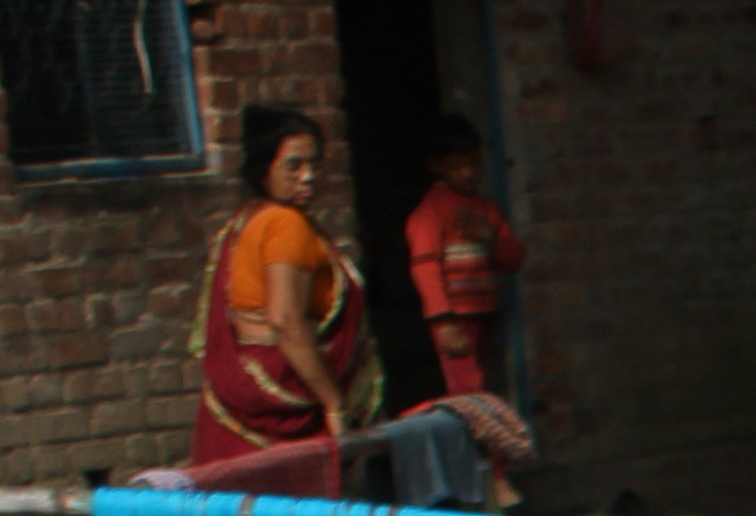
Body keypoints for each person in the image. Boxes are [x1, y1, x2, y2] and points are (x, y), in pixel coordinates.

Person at [192, 103, 373, 468]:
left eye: (315, 164)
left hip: (241, 398)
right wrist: (333, 403)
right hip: (283, 396)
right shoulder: (285, 225)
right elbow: (287, 321)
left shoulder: (248, 221)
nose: (308, 177)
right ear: (264, 171)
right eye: (294, 166)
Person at [402, 116, 527, 403]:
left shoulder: (485, 209)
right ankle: (476, 446)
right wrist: (444, 320)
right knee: (468, 392)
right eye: (459, 166)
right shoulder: (431, 212)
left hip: (484, 313)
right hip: (456, 317)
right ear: (437, 167)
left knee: (482, 386)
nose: (469, 173)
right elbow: (425, 269)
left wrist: (491, 239)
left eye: (475, 164)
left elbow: (515, 259)